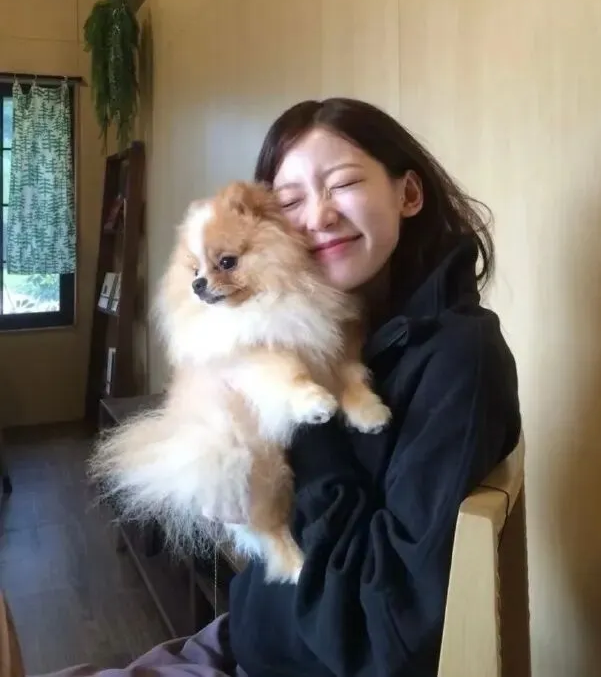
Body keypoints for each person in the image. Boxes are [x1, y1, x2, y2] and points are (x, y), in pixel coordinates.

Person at [43, 98, 521, 677]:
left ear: (409, 193)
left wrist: (294, 420)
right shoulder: (350, 321)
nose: (317, 216)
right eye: (290, 201)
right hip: (246, 633)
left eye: (343, 183)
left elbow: (387, 631)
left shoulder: (457, 359)